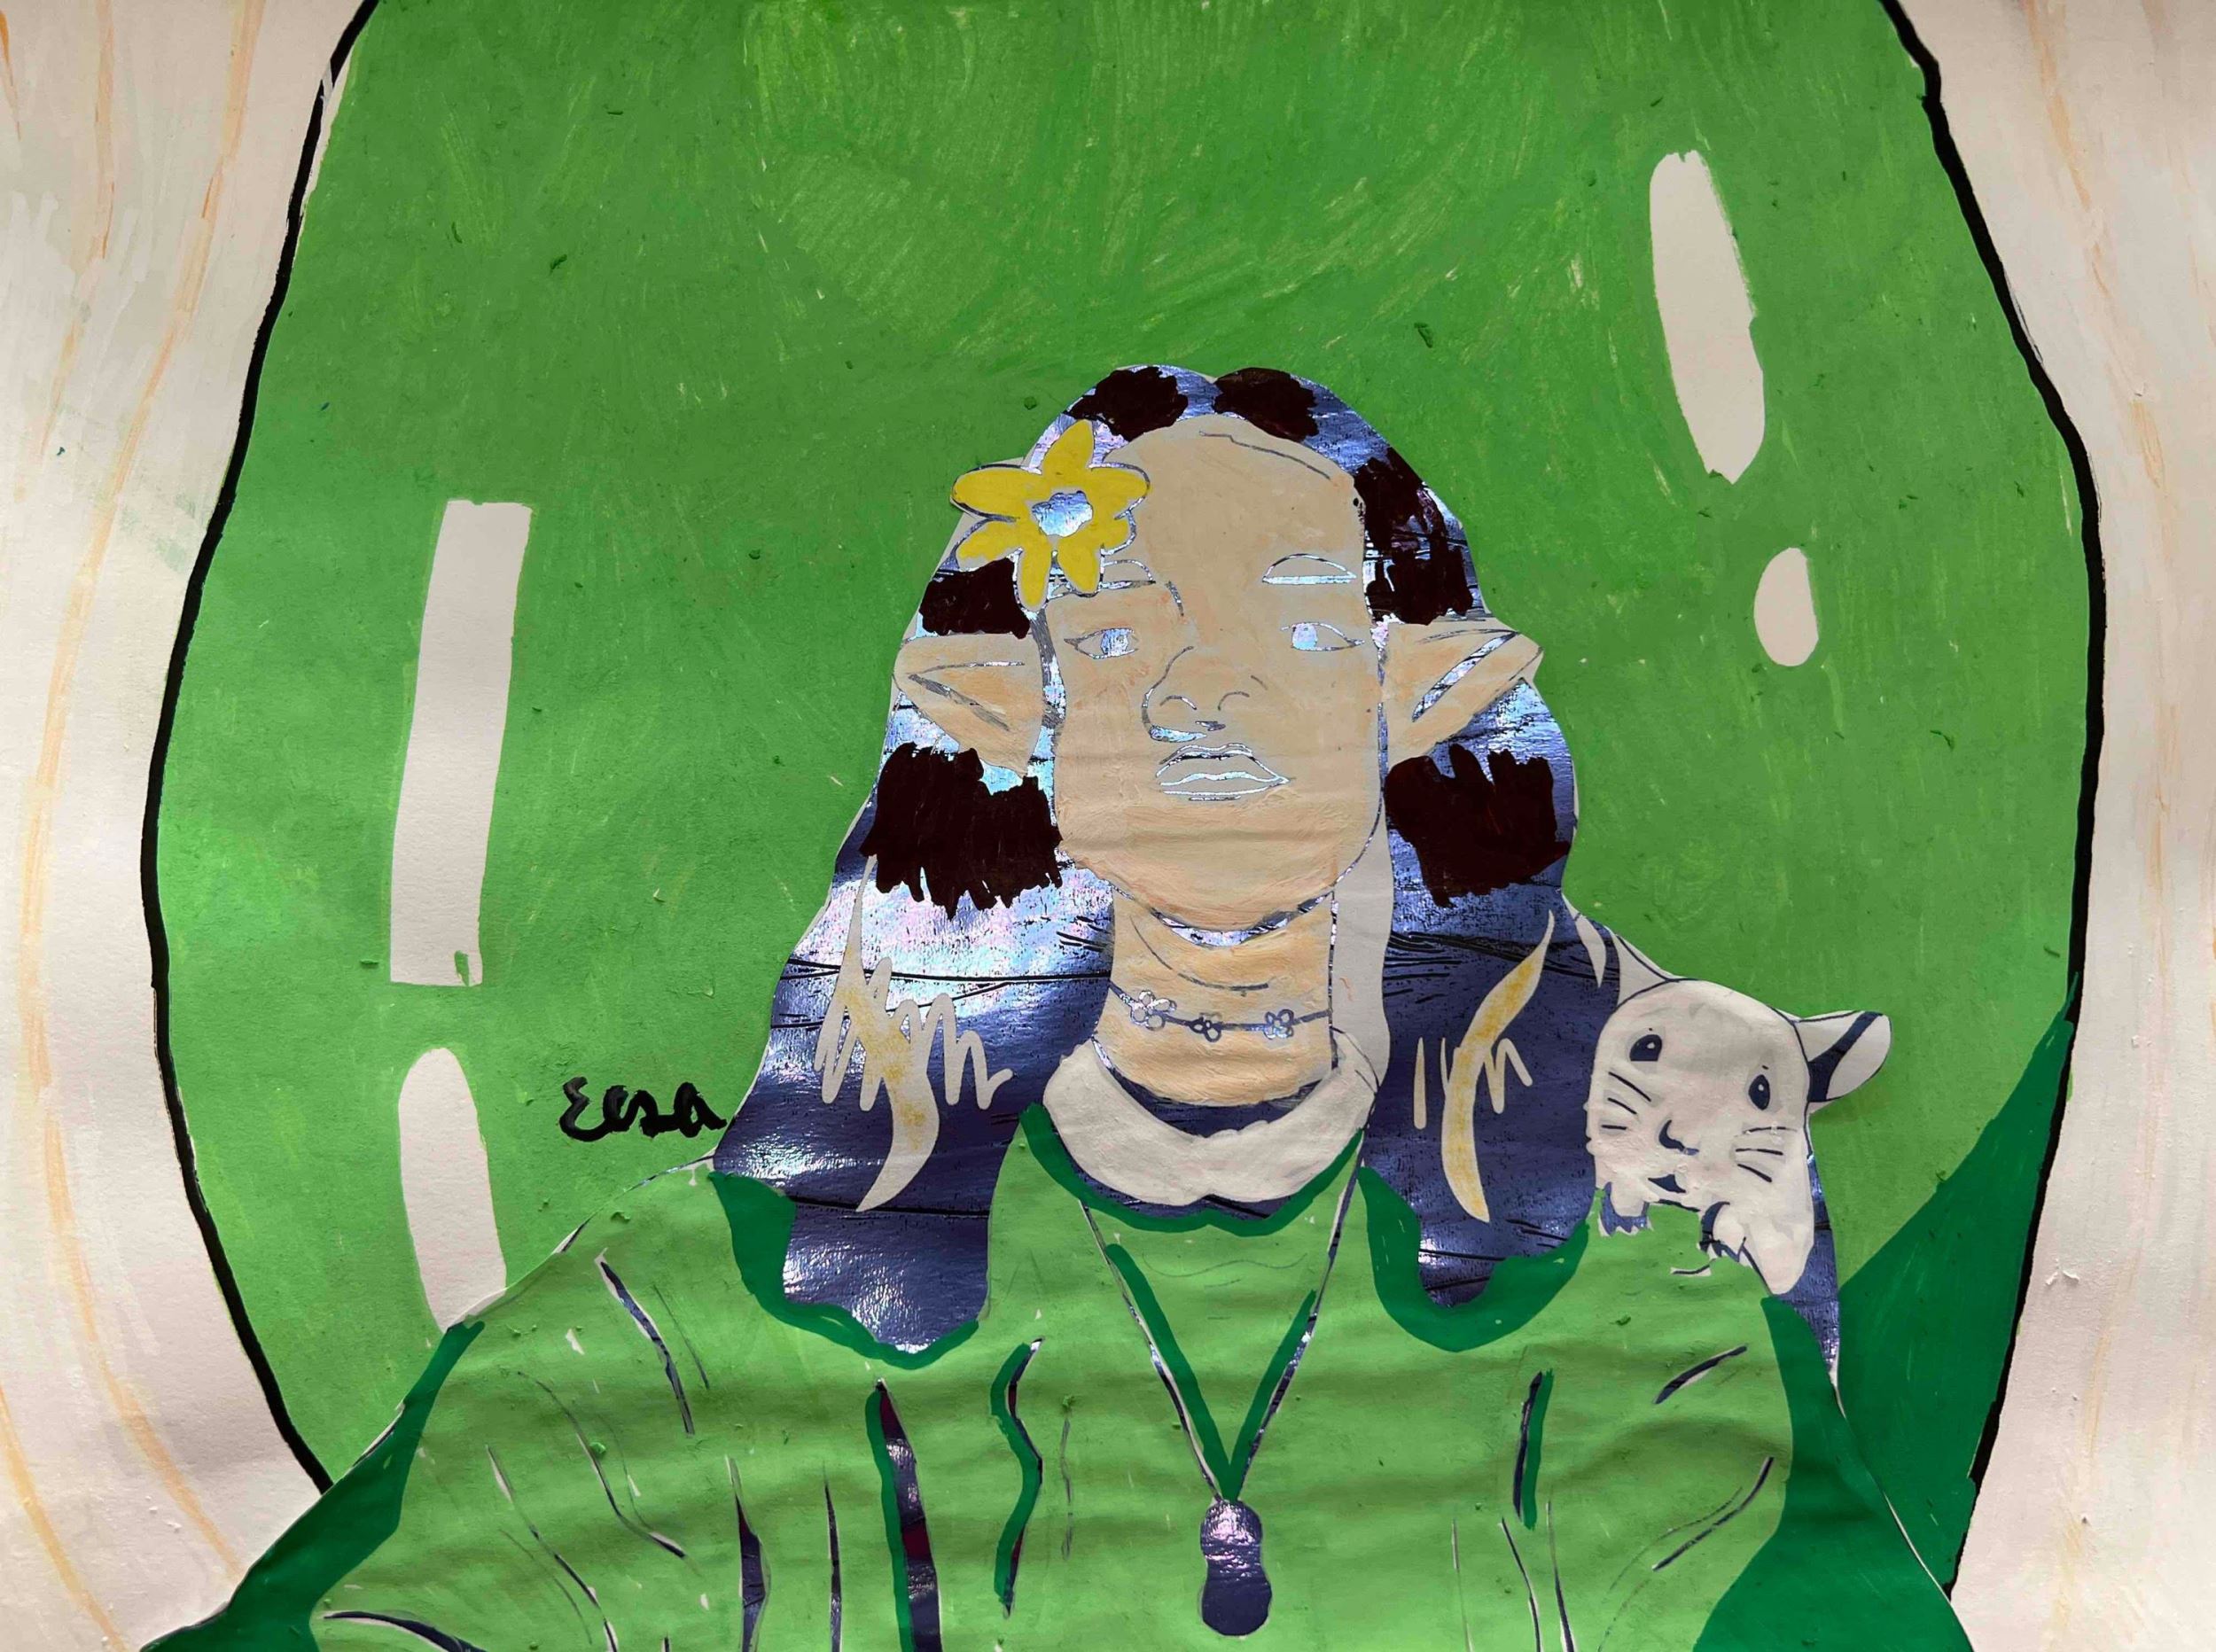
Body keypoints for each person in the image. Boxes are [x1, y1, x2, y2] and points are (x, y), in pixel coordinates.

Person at [157, 367, 1960, 1649]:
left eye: (1296, 621)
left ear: (1416, 696)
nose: (1202, 689)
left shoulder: (1644, 1340)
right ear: (1008, 709)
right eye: (1117, 629)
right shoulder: (681, 1321)